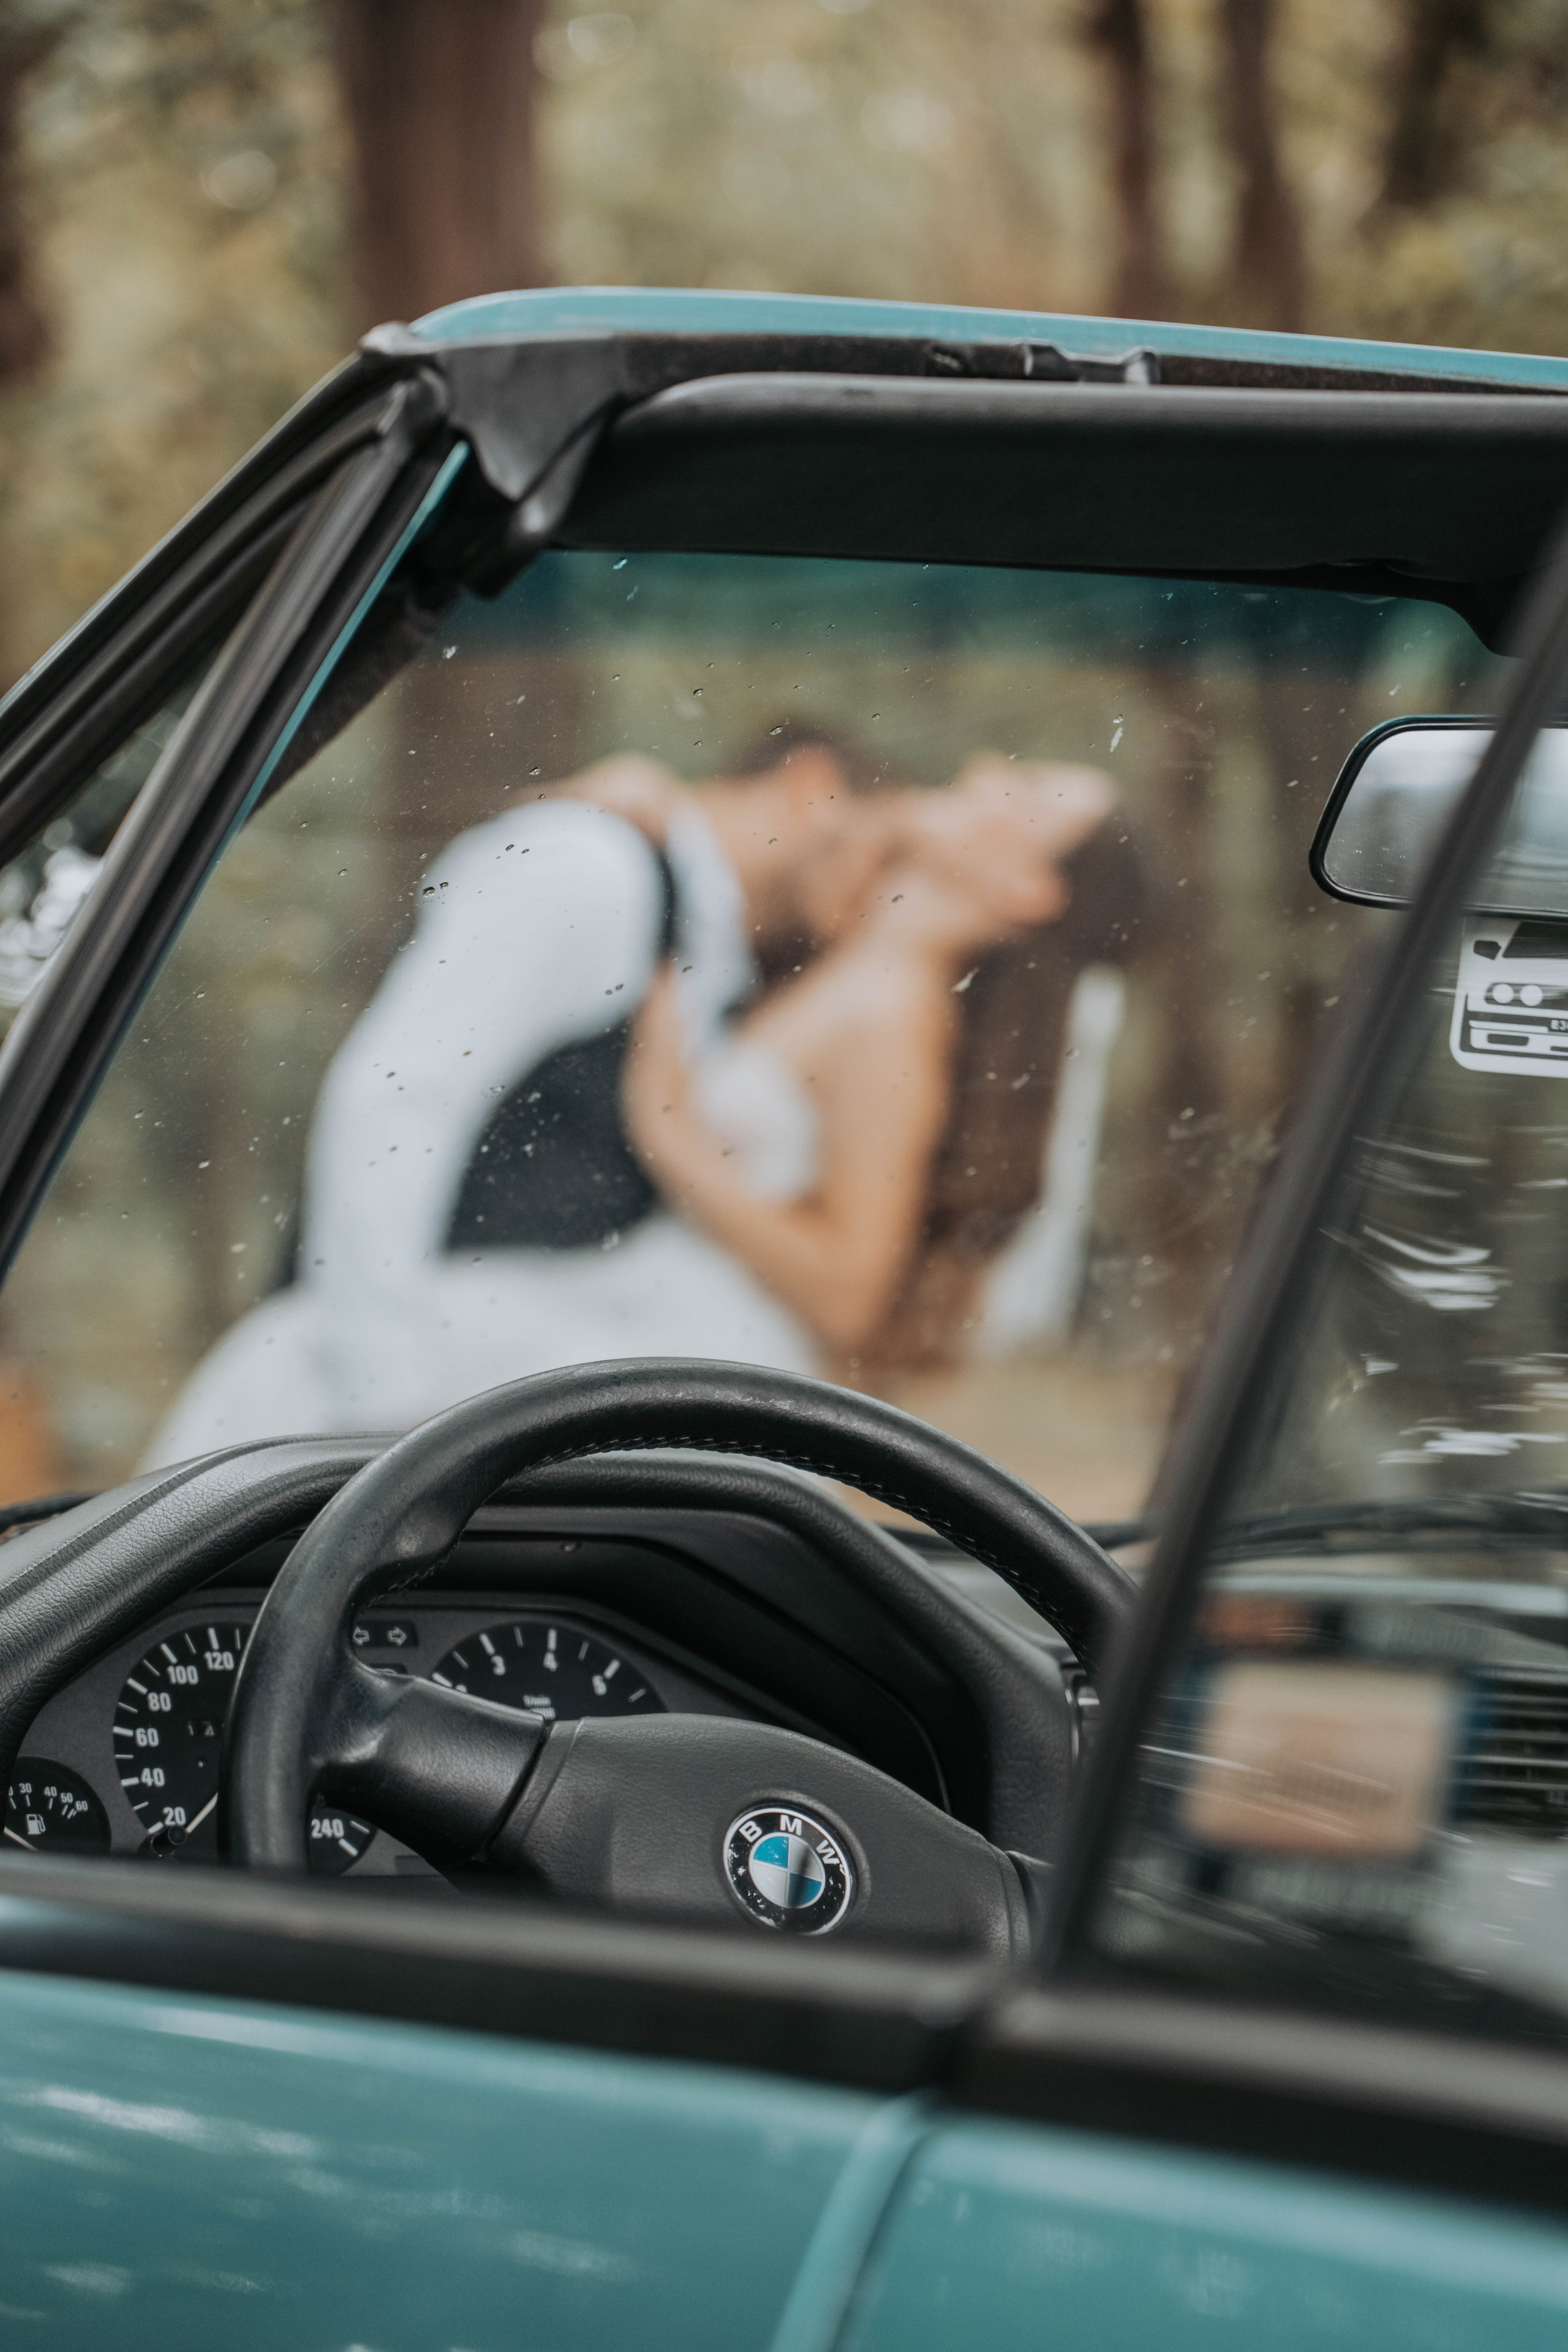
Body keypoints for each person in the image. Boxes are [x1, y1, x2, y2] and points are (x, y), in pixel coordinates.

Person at [144, 725, 895, 1461]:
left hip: (504, 1416)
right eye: (883, 850)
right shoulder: (590, 869)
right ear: (812, 787)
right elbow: (400, 1099)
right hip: (373, 1409)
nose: (876, 892)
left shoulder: (717, 958)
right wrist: (383, 1411)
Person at [622, 757, 1142, 1373]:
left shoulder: (890, 1021)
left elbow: (849, 1300)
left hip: (691, 1359)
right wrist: (660, 812)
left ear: (1029, 888)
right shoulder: (852, 950)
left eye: (1026, 792)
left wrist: (672, 1138)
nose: (985, 771)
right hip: (642, 1321)